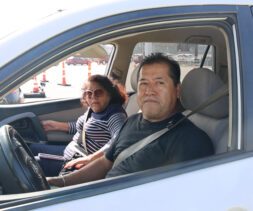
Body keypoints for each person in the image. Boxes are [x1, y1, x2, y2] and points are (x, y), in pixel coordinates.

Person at [47, 53, 214, 187]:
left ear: (177, 90)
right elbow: (105, 163)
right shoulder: (131, 121)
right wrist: (61, 182)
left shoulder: (191, 141)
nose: (149, 91)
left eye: (159, 83)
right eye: (143, 84)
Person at [30, 74, 128, 176]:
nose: (93, 97)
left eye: (98, 93)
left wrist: (90, 158)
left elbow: (119, 139)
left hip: (80, 164)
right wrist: (56, 125)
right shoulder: (94, 111)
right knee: (31, 147)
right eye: (89, 94)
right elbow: (82, 129)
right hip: (71, 152)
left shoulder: (114, 115)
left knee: (30, 165)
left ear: (109, 94)